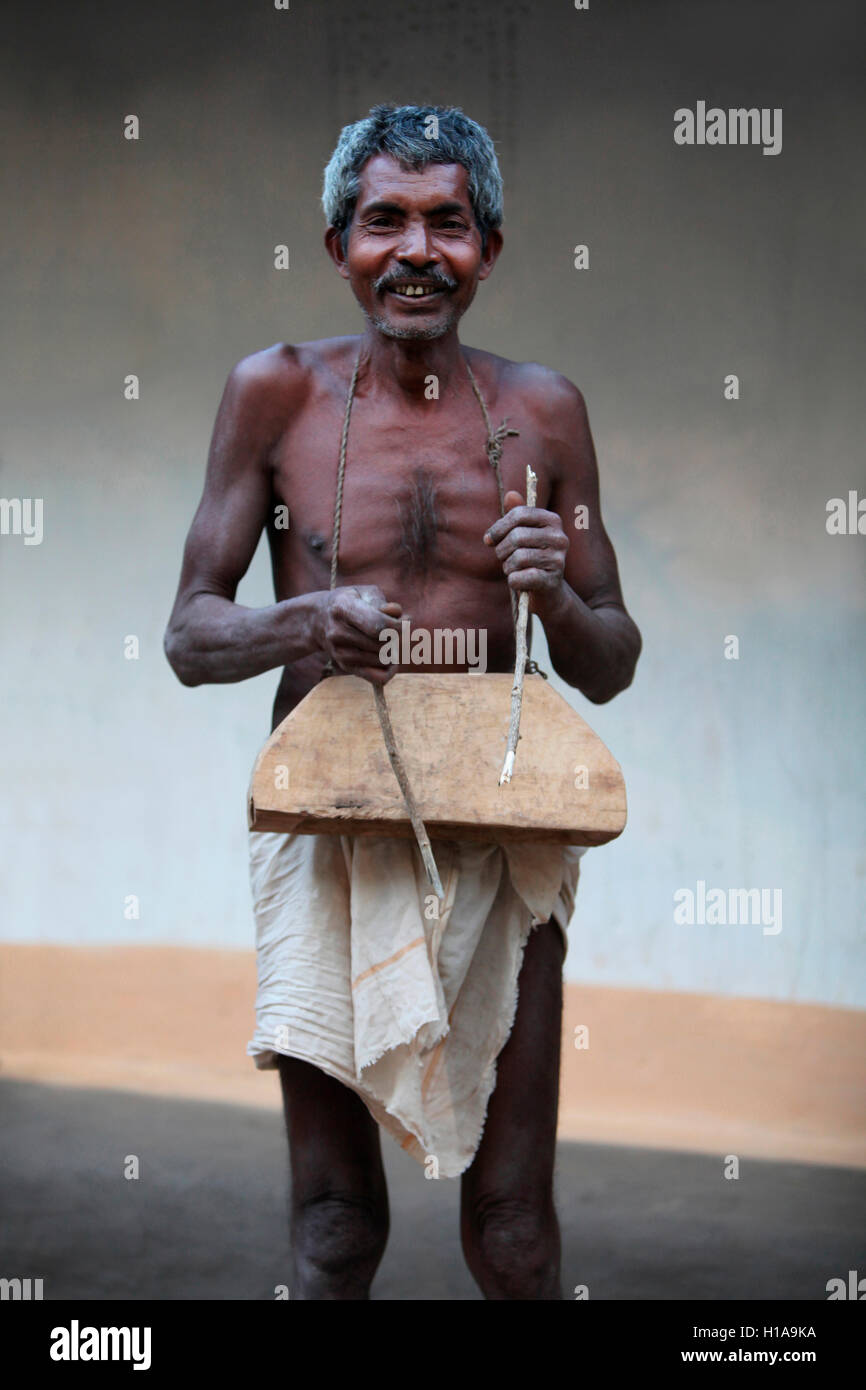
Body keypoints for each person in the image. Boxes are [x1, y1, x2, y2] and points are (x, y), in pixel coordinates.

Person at [164, 103, 641, 1300]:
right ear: (337, 246)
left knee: (515, 1222)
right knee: (333, 1226)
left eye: (448, 223)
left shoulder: (545, 410)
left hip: (500, 831)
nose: (415, 251)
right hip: (326, 826)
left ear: (489, 248)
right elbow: (189, 632)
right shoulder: (273, 393)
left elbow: (612, 655)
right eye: (384, 221)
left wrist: (556, 595)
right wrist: (300, 622)